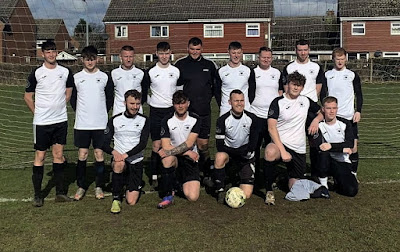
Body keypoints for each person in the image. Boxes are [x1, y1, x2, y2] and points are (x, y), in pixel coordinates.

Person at [24, 40, 74, 207]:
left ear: (57, 52)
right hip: (42, 123)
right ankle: (38, 195)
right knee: (40, 156)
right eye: (48, 52)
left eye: (53, 51)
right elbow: (27, 97)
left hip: (60, 121)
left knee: (58, 155)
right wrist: (38, 113)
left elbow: (68, 93)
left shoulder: (66, 71)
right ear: (43, 54)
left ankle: (60, 193)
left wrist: (59, 107)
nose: (51, 54)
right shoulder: (37, 73)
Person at [264, 71, 321, 205]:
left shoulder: (305, 101)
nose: (296, 88)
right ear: (288, 85)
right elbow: (271, 127)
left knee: (296, 189)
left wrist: (316, 120)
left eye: (299, 85)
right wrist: (282, 151)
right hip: (280, 145)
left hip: (299, 149)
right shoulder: (278, 102)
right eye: (293, 84)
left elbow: (322, 112)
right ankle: (269, 191)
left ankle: (283, 179)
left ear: (302, 87)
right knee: (270, 151)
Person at [70, 45, 113, 201]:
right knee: (82, 154)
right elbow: (73, 100)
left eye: (92, 58)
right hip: (82, 124)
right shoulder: (76, 78)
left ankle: (99, 186)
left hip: (100, 123)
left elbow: (110, 99)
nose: (90, 62)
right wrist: (81, 113)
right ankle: (81, 186)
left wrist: (101, 113)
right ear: (82, 60)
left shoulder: (105, 77)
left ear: (97, 59)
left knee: (99, 153)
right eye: (87, 59)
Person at [175, 37, 218, 186]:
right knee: (185, 145)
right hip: (186, 114)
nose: (195, 52)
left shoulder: (209, 65)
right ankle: (184, 174)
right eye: (192, 49)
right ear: (188, 49)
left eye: (198, 49)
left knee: (203, 145)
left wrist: (205, 99)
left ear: (202, 49)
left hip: (204, 111)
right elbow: (177, 89)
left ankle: (206, 173)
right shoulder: (180, 65)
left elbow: (214, 87)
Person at [281, 39, 325, 178]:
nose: (303, 52)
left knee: (314, 141)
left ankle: (316, 172)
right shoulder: (289, 67)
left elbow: (318, 88)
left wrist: (309, 104)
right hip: (293, 109)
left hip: (310, 109)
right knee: (292, 140)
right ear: (296, 50)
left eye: (305, 50)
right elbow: (285, 88)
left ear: (309, 50)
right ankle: (292, 172)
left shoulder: (316, 67)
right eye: (300, 50)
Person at [103, 89, 150, 214]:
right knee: (119, 164)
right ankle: (116, 198)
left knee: (131, 201)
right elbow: (104, 143)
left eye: (137, 104)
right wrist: (115, 153)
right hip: (120, 160)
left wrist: (126, 154)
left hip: (136, 161)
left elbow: (143, 144)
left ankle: (133, 184)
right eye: (132, 104)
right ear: (125, 103)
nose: (135, 107)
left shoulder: (144, 120)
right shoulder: (115, 120)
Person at [142, 42, 180, 190]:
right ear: (156, 53)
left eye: (166, 53)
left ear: (170, 53)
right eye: (161, 53)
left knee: (173, 143)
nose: (164, 56)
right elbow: (145, 93)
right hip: (156, 112)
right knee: (157, 145)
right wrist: (153, 103)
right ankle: (154, 175)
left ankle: (172, 173)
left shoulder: (176, 71)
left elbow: (179, 91)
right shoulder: (150, 72)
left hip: (172, 111)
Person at [321, 47, 363, 178]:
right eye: (337, 59)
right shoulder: (327, 75)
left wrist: (358, 111)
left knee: (353, 147)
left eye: (342, 59)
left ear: (346, 59)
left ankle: (353, 173)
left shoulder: (352, 75)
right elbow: (323, 95)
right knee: (329, 146)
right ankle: (326, 173)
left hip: (349, 116)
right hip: (332, 118)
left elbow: (359, 94)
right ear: (333, 59)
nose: (340, 62)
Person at [157, 91, 201, 209]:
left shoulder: (195, 119)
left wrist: (186, 152)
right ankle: (168, 195)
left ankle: (178, 182)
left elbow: (189, 143)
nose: (180, 106)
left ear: (188, 103)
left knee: (192, 197)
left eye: (183, 103)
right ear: (173, 104)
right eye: (177, 103)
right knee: (167, 160)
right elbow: (166, 146)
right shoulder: (167, 120)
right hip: (176, 156)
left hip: (189, 159)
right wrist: (187, 152)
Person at [213, 89, 259, 202]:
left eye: (242, 100)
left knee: (246, 195)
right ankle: (220, 189)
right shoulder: (222, 120)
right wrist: (236, 152)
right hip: (230, 154)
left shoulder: (252, 118)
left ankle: (238, 178)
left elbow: (253, 144)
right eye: (236, 101)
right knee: (219, 157)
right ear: (230, 102)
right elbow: (219, 145)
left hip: (246, 156)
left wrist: (244, 153)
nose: (239, 103)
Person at [248, 47, 284, 173]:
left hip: (272, 117)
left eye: (268, 57)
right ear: (259, 58)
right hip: (256, 115)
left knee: (272, 146)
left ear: (272, 58)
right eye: (263, 57)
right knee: (255, 146)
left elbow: (280, 91)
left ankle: (270, 173)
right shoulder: (252, 72)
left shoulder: (277, 73)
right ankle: (255, 172)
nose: (266, 60)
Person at [315, 96, 358, 197]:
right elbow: (319, 146)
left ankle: (338, 181)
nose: (331, 111)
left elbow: (350, 144)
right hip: (326, 161)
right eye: (328, 108)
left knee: (351, 191)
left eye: (334, 108)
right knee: (323, 154)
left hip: (342, 161)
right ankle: (324, 186)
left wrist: (331, 146)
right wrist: (342, 148)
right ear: (323, 109)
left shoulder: (345, 123)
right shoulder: (319, 125)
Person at [216, 41, 251, 116]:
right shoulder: (221, 71)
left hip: (244, 110)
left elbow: (252, 92)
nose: (236, 56)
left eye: (238, 53)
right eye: (233, 53)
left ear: (242, 53)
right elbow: (217, 92)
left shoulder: (248, 71)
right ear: (228, 52)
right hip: (226, 110)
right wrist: (223, 105)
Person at [111, 45, 148, 116]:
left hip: (136, 111)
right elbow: (109, 94)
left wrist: (137, 104)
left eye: (130, 56)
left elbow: (145, 92)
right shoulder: (113, 73)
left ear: (134, 57)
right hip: (119, 111)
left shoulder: (140, 73)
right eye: (126, 56)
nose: (128, 59)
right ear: (120, 57)